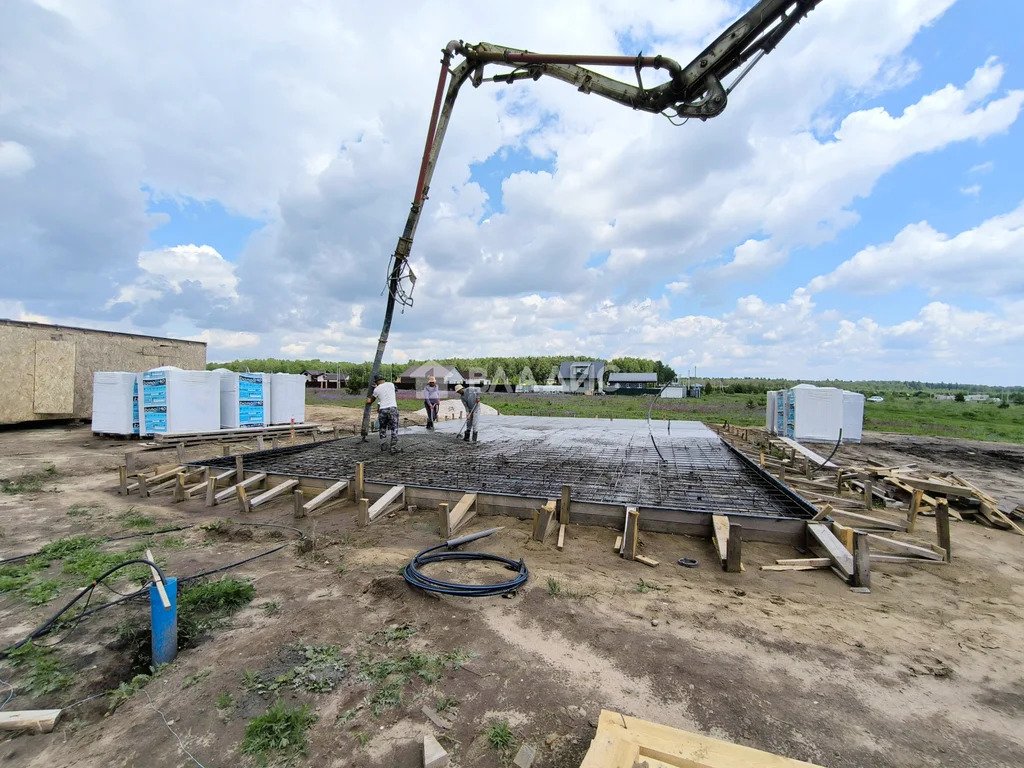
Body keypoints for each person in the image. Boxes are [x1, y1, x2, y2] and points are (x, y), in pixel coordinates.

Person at [366, 374, 400, 453]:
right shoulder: (391, 384)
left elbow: (370, 401)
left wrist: (369, 398)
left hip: (383, 410)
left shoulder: (376, 389)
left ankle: (383, 445)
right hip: (392, 409)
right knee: (394, 427)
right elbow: (394, 390)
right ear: (383, 380)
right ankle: (393, 447)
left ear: (376, 382)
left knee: (382, 428)